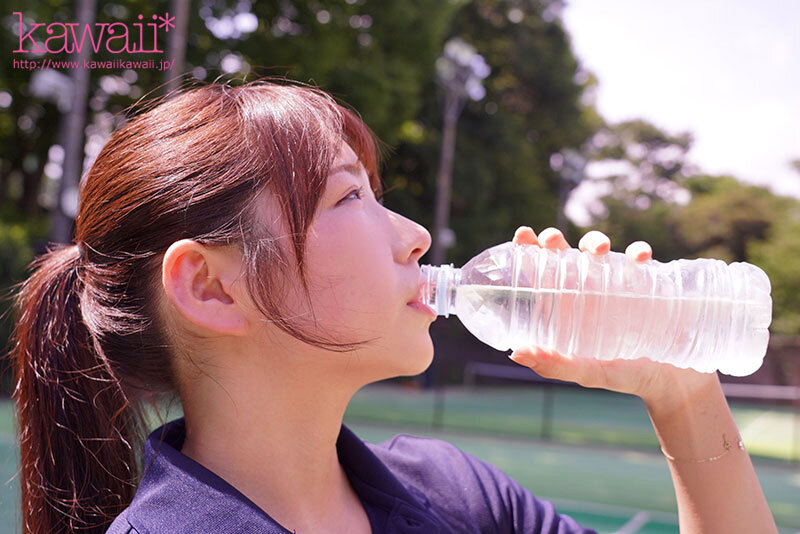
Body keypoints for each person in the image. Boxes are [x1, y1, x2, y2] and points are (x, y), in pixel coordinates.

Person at [5, 78, 776, 534]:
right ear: (210, 286)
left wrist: (680, 391)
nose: (413, 235)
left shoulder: (459, 496)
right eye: (349, 196)